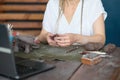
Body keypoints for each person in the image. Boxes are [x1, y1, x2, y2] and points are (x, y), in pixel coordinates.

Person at [34, 0, 107, 47]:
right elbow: (42, 35)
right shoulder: (53, 3)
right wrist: (47, 37)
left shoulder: (93, 3)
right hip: (57, 59)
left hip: (85, 61)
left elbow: (101, 38)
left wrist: (77, 38)